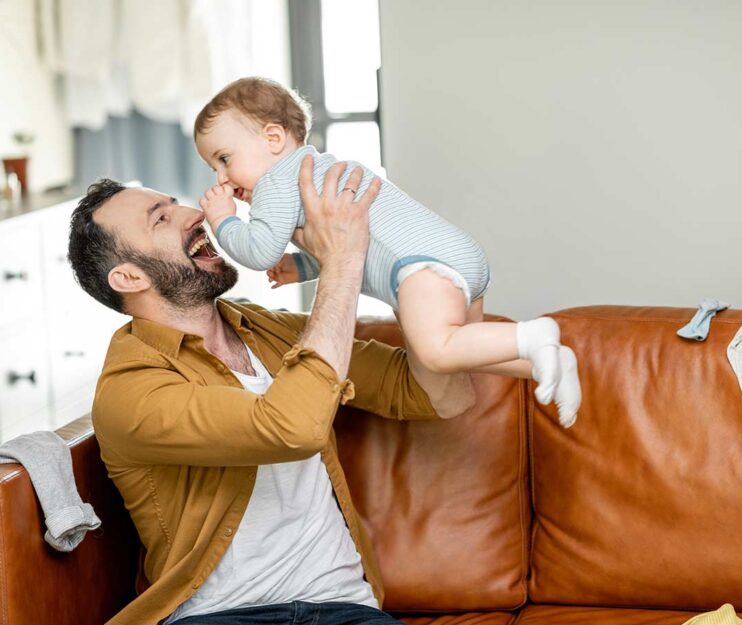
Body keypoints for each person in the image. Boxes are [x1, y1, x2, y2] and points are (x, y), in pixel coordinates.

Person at [66, 160, 476, 625]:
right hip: (221, 616)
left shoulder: (267, 330)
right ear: (129, 278)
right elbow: (290, 429)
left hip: (345, 608)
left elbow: (439, 396)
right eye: (160, 218)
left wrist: (435, 278)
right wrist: (342, 259)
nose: (193, 213)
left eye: (174, 203)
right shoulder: (130, 389)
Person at [194, 77, 581, 426]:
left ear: (273, 138)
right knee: (467, 348)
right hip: (453, 255)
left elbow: (258, 251)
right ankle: (547, 363)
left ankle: (534, 335)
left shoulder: (277, 183)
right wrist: (299, 265)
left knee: (437, 352)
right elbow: (346, 243)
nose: (222, 177)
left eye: (224, 159)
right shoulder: (319, 171)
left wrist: (223, 219)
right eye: (214, 167)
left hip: (421, 270)